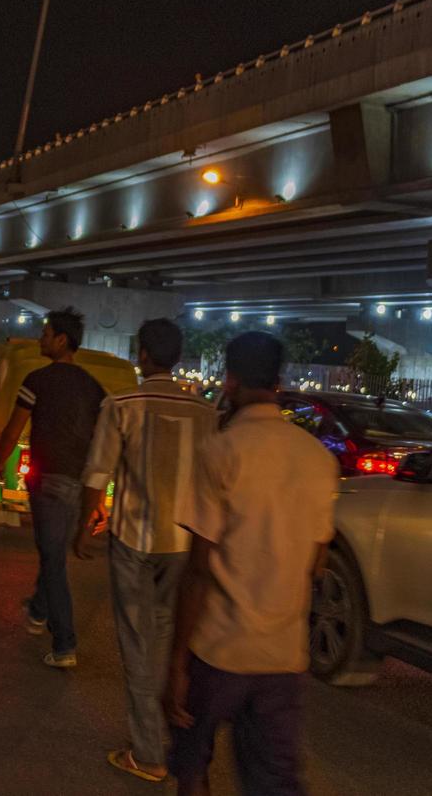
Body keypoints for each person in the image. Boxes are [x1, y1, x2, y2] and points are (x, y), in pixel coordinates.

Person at [163, 332, 337, 796]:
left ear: (230, 380)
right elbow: (316, 563)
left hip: (219, 648)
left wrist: (177, 663)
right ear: (279, 381)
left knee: (192, 762)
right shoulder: (319, 460)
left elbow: (198, 570)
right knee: (275, 781)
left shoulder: (221, 451)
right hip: (283, 655)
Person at [76, 318, 216, 784]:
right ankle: (173, 739)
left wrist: (84, 526)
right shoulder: (203, 412)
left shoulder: (122, 405)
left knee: (138, 645)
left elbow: (98, 474)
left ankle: (148, 752)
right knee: (166, 639)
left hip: (133, 540)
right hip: (185, 544)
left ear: (142, 355)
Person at [0, 307, 107, 669]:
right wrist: (98, 495)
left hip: (49, 482)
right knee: (53, 552)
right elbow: (103, 444)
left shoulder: (37, 380)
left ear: (61, 340)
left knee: (54, 560)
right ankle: (39, 611)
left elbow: (13, 430)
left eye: (45, 333)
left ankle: (65, 644)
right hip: (79, 482)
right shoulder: (93, 388)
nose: (41, 339)